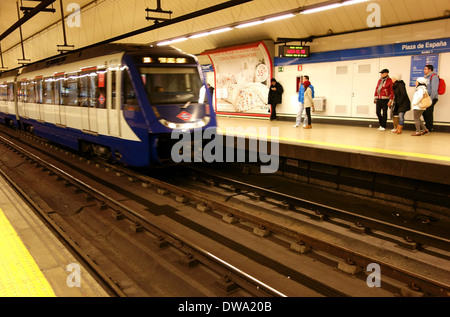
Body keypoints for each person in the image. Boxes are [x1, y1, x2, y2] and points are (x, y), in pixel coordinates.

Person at [422, 65, 439, 132]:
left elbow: (434, 89)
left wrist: (430, 98)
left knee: (428, 112)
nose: (424, 70)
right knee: (424, 112)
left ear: (430, 70)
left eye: (425, 69)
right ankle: (427, 126)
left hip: (431, 97)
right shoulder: (426, 77)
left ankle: (429, 128)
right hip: (426, 97)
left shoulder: (434, 76)